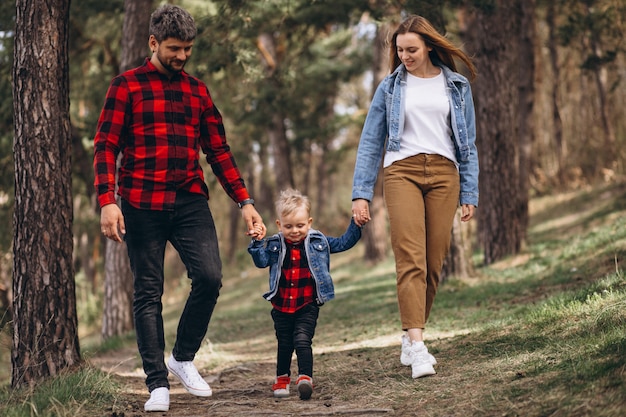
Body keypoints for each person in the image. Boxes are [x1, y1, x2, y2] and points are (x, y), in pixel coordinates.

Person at [93, 5, 267, 412]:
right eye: (175, 48)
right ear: (153, 43)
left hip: (189, 199)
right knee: (148, 291)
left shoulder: (198, 91)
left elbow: (218, 150)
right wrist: (107, 201)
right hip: (140, 202)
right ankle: (157, 384)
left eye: (188, 48)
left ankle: (182, 358)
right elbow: (106, 146)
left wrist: (245, 202)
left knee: (209, 277)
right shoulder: (126, 86)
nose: (182, 56)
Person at [351, 15, 479, 379]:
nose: (404, 56)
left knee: (434, 262)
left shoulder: (456, 85)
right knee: (411, 258)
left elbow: (467, 143)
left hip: (444, 174)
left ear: (428, 47)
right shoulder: (389, 88)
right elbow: (370, 142)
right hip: (401, 171)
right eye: (399, 50)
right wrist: (361, 194)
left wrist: (469, 190)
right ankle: (418, 345)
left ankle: (410, 332)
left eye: (411, 49)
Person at [247, 189, 362, 400]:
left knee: (302, 340)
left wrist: (356, 223)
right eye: (288, 226)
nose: (295, 231)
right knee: (284, 343)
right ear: (279, 224)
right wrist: (256, 242)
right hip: (281, 305)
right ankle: (281, 379)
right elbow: (261, 261)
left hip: (306, 304)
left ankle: (305, 379)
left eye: (300, 225)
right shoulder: (274, 244)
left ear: (309, 222)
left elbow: (345, 242)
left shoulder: (318, 242)